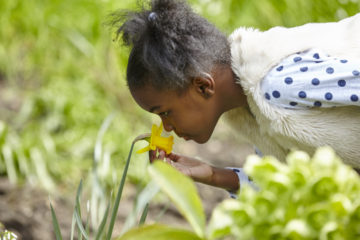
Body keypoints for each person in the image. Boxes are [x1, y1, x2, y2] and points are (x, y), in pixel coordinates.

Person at [109, 0, 360, 194]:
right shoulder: (249, 108)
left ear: (203, 86)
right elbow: (286, 185)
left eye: (164, 112)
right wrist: (212, 175)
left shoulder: (279, 83)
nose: (167, 127)